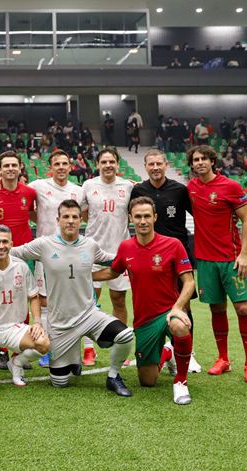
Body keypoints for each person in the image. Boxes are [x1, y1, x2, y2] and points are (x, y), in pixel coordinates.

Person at [1, 200, 135, 396]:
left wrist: (134, 254)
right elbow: (13, 251)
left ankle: (114, 376)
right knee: (60, 382)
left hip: (89, 315)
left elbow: (112, 259)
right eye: (66, 217)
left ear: (81, 220)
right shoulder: (44, 244)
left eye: (74, 217)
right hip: (60, 323)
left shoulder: (90, 245)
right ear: (58, 220)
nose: (70, 221)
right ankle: (73, 360)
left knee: (125, 335)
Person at [94, 197, 196, 405]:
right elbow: (112, 272)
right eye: (138, 216)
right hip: (144, 320)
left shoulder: (173, 245)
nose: (143, 221)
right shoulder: (126, 247)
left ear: (155, 217)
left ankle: (181, 382)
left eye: (147, 216)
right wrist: (83, 275)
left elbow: (189, 282)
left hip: (169, 311)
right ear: (130, 219)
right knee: (147, 381)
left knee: (180, 326)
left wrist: (177, 308)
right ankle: (168, 352)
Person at [186, 145, 247, 383]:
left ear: (212, 161)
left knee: (243, 309)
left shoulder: (230, 186)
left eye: (204, 158)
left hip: (231, 259)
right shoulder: (192, 188)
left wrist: (245, 253)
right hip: (205, 261)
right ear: (192, 164)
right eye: (195, 160)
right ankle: (223, 359)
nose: (200, 163)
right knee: (216, 309)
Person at [130, 148, 203, 373]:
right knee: (151, 303)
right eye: (151, 164)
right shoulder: (139, 190)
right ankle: (157, 350)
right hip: (149, 256)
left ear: (166, 165)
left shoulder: (180, 190)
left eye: (159, 164)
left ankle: (188, 354)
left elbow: (199, 217)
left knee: (185, 302)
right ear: (145, 167)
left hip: (176, 254)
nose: (155, 168)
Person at [0, 225, 50, 387]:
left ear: (11, 244)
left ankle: (16, 364)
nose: (1, 246)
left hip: (15, 327)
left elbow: (34, 297)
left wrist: (37, 322)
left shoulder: (22, 267)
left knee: (43, 343)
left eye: (5, 242)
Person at [0, 151, 38, 369]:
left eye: (14, 165)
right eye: (6, 165)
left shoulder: (30, 193)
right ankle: (1, 351)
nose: (10, 169)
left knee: (23, 302)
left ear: (21, 168)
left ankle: (17, 349)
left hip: (24, 254)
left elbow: (33, 215)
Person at [29, 150, 87, 364]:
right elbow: (27, 206)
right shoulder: (38, 186)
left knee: (71, 302)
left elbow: (87, 214)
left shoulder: (79, 191)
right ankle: (45, 346)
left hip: (72, 254)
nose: (61, 167)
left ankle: (72, 348)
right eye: (57, 164)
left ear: (71, 166)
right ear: (50, 167)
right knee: (45, 301)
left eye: (65, 163)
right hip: (47, 253)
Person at [81, 149, 132, 328]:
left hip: (119, 252)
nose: (108, 165)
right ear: (97, 165)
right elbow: (80, 212)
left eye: (112, 162)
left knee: (118, 300)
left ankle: (121, 342)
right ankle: (89, 348)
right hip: (92, 252)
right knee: (89, 301)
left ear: (117, 164)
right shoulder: (88, 185)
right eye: (104, 162)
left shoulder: (128, 186)